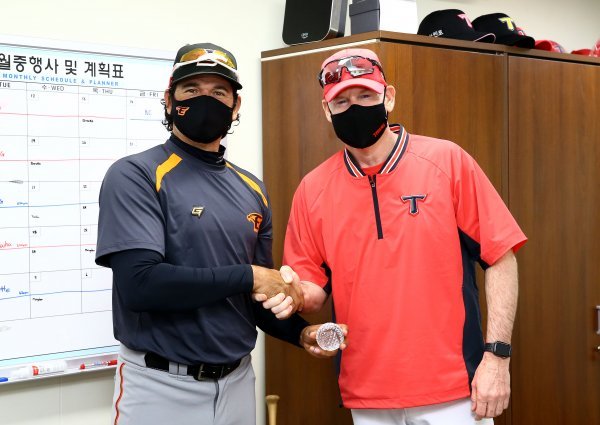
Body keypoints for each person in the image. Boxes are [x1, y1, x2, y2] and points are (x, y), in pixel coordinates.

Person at [280, 48, 527, 425]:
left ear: (389, 97)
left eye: (366, 96)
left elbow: (501, 257)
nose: (354, 108)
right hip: (367, 391)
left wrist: (497, 357)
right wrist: (289, 294)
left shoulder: (447, 162)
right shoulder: (312, 189)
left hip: (455, 388)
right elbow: (312, 289)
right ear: (327, 111)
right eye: (342, 101)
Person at [95, 42, 312, 425]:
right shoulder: (136, 175)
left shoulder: (252, 188)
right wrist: (250, 275)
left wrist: (302, 333)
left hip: (238, 381)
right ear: (169, 100)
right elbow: (140, 285)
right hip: (160, 385)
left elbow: (256, 298)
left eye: (219, 92)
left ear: (236, 106)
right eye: (191, 90)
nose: (205, 100)